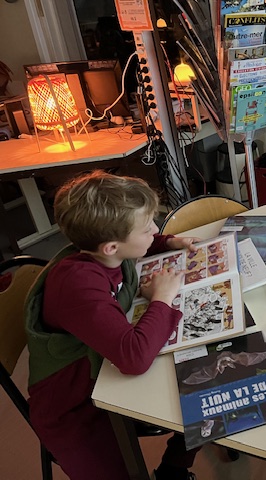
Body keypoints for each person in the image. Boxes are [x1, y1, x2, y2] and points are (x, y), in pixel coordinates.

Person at [24, 171, 206, 480]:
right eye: (147, 228)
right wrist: (162, 298)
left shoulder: (103, 250)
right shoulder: (77, 284)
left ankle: (174, 468)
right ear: (111, 247)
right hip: (74, 404)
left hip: (105, 370)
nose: (155, 229)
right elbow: (134, 359)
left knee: (209, 389)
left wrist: (169, 242)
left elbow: (132, 243)